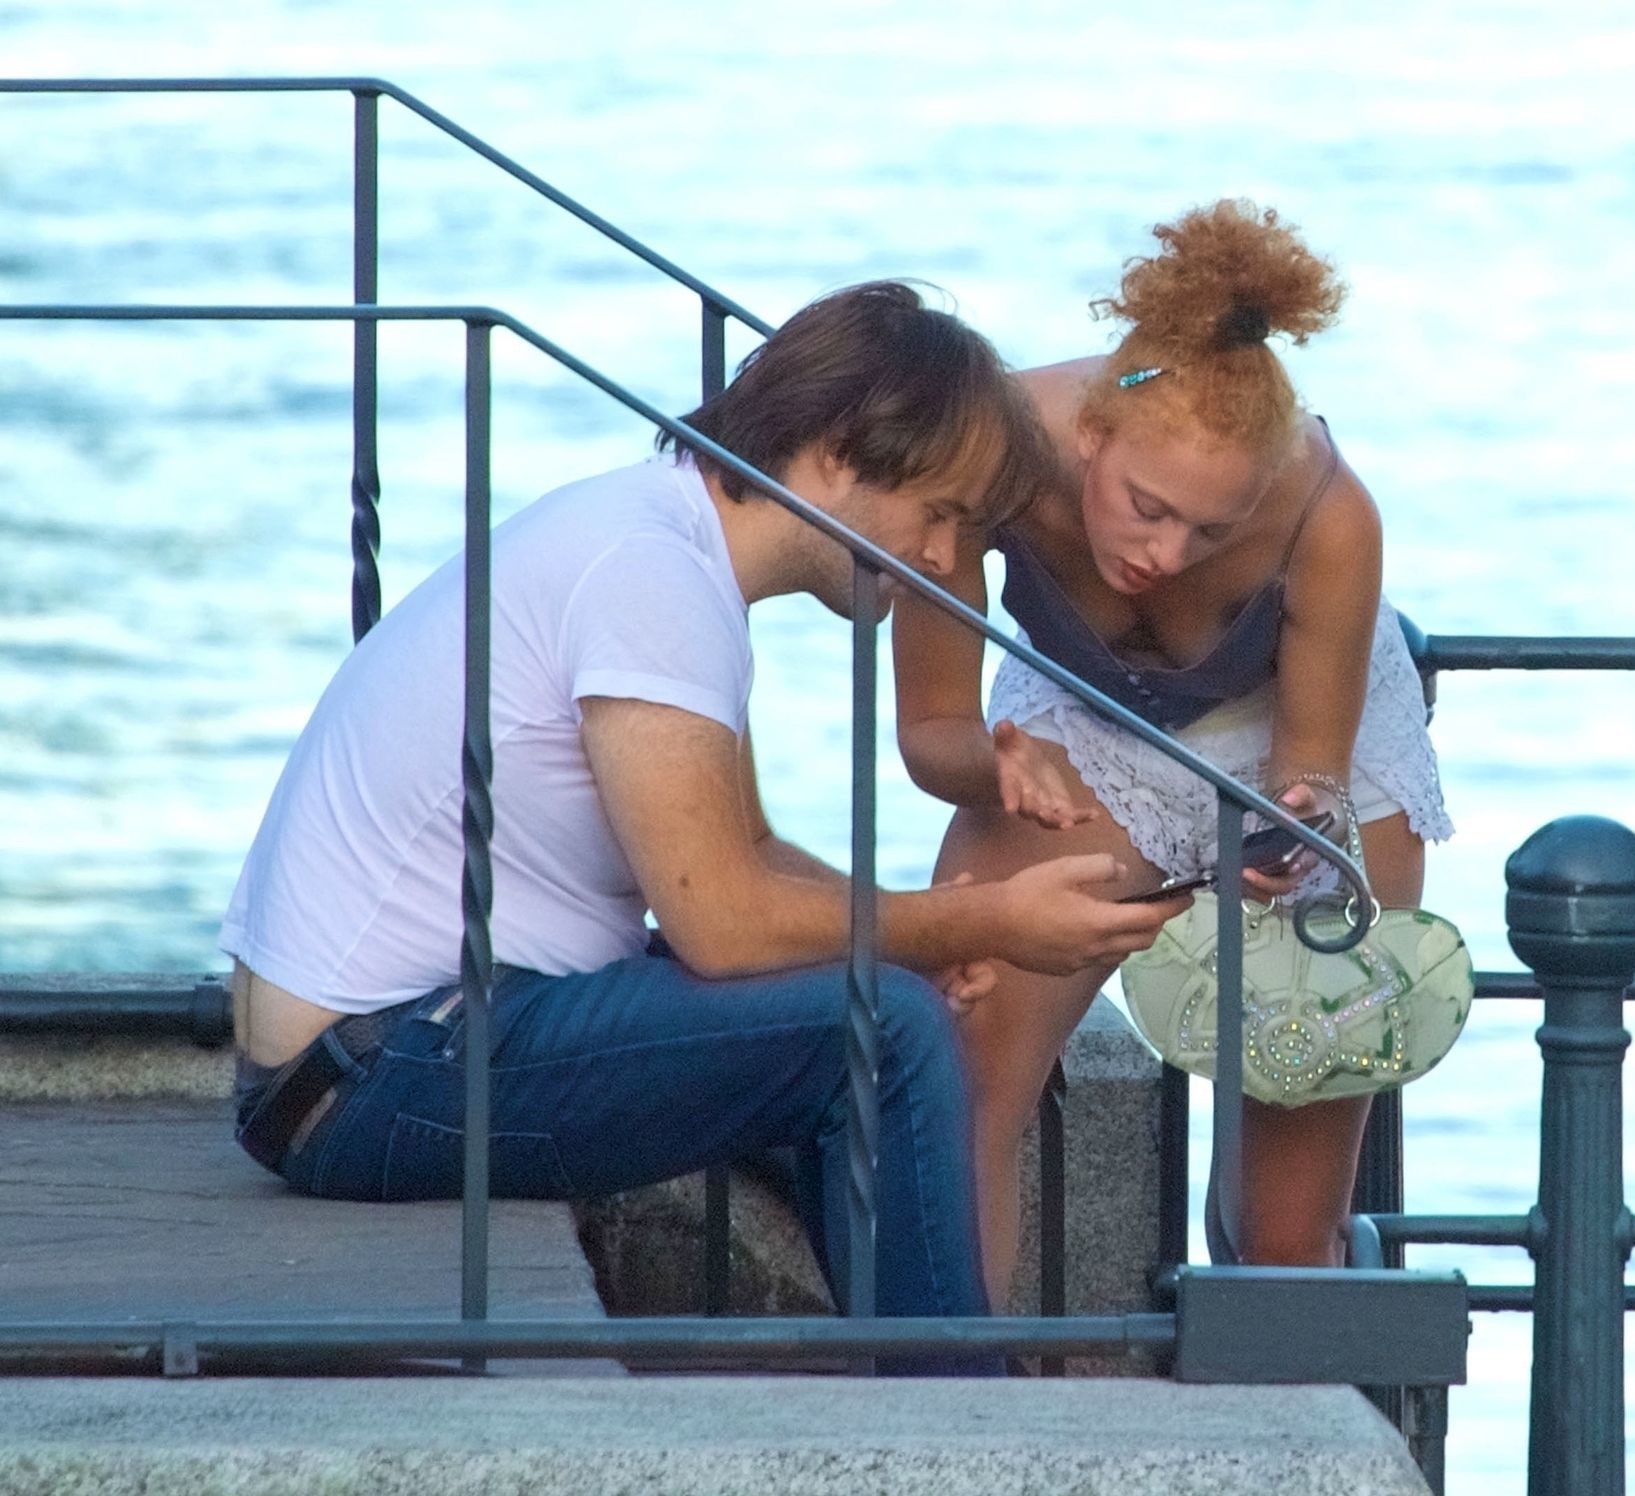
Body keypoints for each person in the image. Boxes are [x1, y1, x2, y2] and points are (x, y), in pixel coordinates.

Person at [220, 281, 1188, 1356]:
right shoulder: (653, 578)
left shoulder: (667, 547)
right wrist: (982, 923)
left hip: (388, 1047)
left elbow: (750, 853)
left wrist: (921, 937)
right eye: (940, 513)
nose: (939, 559)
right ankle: (953, 1407)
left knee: (877, 1016)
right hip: (373, 1073)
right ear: (835, 455)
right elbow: (720, 924)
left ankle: (925, 1380)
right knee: (884, 1029)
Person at [892, 202, 1454, 1300]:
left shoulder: (1330, 514)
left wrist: (1295, 832)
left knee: (1289, 1220)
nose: (1167, 554)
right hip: (1083, 722)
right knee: (964, 1077)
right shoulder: (988, 450)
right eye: (1147, 508)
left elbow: (1314, 775)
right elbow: (929, 732)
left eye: (1212, 531)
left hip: (1311, 738)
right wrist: (996, 764)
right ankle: (956, 1382)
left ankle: (1287, 1391)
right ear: (1091, 435)